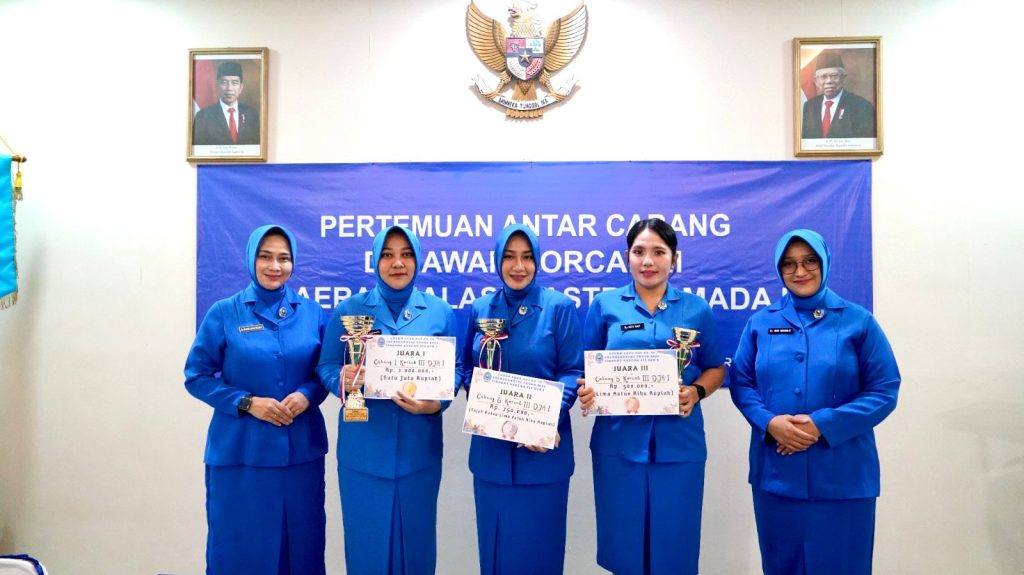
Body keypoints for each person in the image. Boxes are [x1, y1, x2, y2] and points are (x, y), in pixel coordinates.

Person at [729, 229, 901, 575]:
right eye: (789, 263)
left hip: (843, 476)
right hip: (777, 476)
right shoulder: (761, 323)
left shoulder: (858, 321)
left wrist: (822, 424)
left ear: (824, 262)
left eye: (809, 261)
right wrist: (769, 423)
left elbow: (885, 389)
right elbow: (741, 383)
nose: (800, 271)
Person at [577, 218, 726, 575]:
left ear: (674, 259)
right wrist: (587, 390)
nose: (648, 261)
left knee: (674, 546)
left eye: (659, 252)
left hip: (679, 444)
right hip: (618, 445)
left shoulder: (696, 309)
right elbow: (586, 365)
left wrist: (696, 391)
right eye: (639, 251)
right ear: (627, 257)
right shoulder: (605, 305)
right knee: (624, 547)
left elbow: (716, 368)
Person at [184, 225, 328, 575]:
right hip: (241, 454)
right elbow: (196, 376)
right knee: (240, 549)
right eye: (266, 257)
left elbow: (325, 372)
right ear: (251, 259)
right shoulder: (224, 312)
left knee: (301, 547)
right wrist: (247, 402)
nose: (275, 266)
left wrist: (307, 395)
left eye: (283, 258)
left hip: (300, 454)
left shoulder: (312, 313)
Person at [317, 225, 460, 575]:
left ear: (418, 260)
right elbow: (327, 365)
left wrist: (436, 404)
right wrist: (341, 380)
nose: (398, 263)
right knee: (366, 547)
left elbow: (455, 369)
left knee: (416, 547)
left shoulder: (440, 312)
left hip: (418, 451)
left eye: (406, 254)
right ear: (375, 260)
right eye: (388, 255)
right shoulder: (349, 310)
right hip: (363, 449)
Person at [459, 224, 583, 575]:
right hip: (491, 457)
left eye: (527, 257)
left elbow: (572, 370)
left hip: (543, 455)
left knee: (540, 552)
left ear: (538, 261)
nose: (518, 266)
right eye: (510, 257)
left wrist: (544, 420)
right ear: (497, 260)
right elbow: (467, 367)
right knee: (496, 553)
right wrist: (482, 400)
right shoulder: (480, 309)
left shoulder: (558, 308)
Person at [801, 51, 876, 139]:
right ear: (816, 81)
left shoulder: (862, 106)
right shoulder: (809, 106)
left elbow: (865, 142)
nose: (829, 81)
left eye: (834, 76)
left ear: (844, 79)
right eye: (823, 77)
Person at [192, 61, 261, 146]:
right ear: (217, 86)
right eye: (224, 82)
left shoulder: (252, 115)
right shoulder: (203, 117)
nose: (229, 88)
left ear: (241, 87)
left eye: (234, 83)